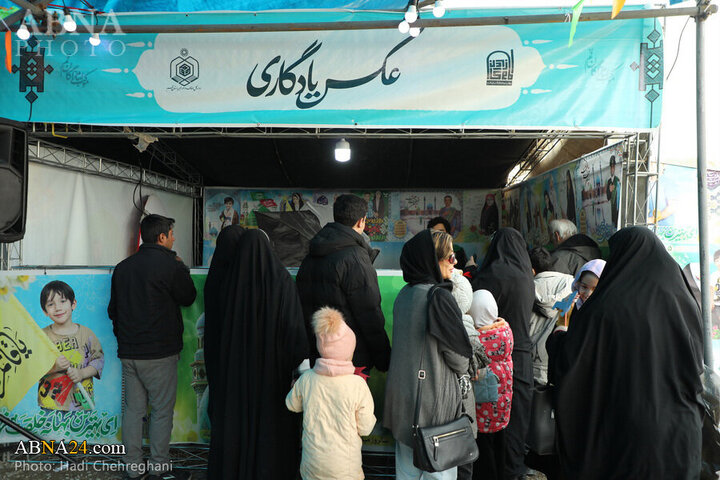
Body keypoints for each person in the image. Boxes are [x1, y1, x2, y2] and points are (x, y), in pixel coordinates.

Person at [546, 227, 703, 479]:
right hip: (681, 434)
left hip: (627, 435)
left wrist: (558, 338)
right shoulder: (683, 301)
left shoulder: (605, 309)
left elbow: (572, 363)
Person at [204, 227, 309, 480]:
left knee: (234, 427)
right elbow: (295, 333)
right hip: (272, 378)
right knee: (270, 430)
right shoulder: (282, 282)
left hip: (234, 379)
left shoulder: (229, 284)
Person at [108, 214, 197, 480]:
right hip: (159, 354)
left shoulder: (122, 267)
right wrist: (182, 269)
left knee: (133, 412)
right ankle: (159, 468)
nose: (173, 238)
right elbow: (188, 296)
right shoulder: (170, 266)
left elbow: (113, 311)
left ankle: (133, 469)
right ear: (161, 238)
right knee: (160, 411)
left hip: (129, 353)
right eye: (171, 234)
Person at [384, 229, 474, 480]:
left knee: (406, 472)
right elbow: (458, 358)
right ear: (431, 260)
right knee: (439, 473)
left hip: (403, 405)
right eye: (449, 257)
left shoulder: (405, 294)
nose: (454, 263)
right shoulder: (438, 297)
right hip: (432, 408)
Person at [296, 194, 391, 376]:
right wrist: (383, 358)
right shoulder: (355, 257)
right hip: (352, 360)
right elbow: (369, 312)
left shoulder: (311, 255)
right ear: (361, 221)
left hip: (319, 357)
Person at [470, 228, 535, 480]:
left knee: (487, 416)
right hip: (520, 353)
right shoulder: (525, 275)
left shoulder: (490, 275)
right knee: (516, 417)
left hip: (491, 357)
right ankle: (512, 468)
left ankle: (487, 471)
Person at [286, 307, 376, 480]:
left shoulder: (307, 379)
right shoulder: (357, 384)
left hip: (312, 465)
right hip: (346, 468)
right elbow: (365, 428)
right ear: (349, 350)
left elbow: (291, 405)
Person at [468, 289, 514, 480]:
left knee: (484, 456)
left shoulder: (477, 339)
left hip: (483, 412)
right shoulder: (505, 331)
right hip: (502, 408)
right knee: (499, 448)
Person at [38, 280, 104, 412]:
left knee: (83, 432)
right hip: (51, 405)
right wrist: (54, 367)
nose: (58, 308)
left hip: (82, 403)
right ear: (45, 311)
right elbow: (34, 367)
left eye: (62, 301)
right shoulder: (41, 337)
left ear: (73, 304)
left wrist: (82, 373)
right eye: (51, 304)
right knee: (50, 433)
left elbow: (98, 360)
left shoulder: (86, 334)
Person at [449, 269, 487, 480]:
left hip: (448, 403)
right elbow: (478, 371)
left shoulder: (441, 320)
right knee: (465, 459)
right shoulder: (470, 327)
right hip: (466, 405)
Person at [527, 248, 573, 386]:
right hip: (558, 355)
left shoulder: (526, 286)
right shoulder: (570, 283)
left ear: (532, 270)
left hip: (532, 357)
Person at [605, 156, 621, 226]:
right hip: (610, 208)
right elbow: (608, 197)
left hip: (616, 208)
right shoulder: (609, 181)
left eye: (613, 167)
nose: (612, 169)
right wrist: (609, 190)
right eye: (611, 167)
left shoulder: (617, 180)